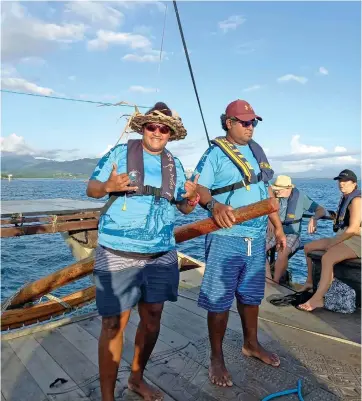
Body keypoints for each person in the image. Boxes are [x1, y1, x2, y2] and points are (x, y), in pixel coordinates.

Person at [87, 102, 199, 401]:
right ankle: (108, 397)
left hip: (161, 252)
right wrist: (109, 185)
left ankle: (136, 379)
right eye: (152, 126)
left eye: (164, 129)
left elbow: (183, 207)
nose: (157, 132)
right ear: (143, 128)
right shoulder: (119, 154)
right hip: (117, 251)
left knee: (152, 318)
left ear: (171, 135)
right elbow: (91, 188)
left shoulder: (174, 164)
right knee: (113, 323)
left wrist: (192, 200)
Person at [193, 99, 286, 388]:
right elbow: (199, 188)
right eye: (244, 122)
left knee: (251, 295)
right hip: (226, 237)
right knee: (219, 299)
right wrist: (214, 207)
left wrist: (278, 228)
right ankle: (217, 357)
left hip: (257, 236)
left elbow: (266, 191)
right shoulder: (215, 154)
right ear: (228, 123)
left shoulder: (257, 152)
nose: (250, 128)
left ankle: (251, 344)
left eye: (253, 122)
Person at [298, 169, 361, 312]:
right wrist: (315, 217)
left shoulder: (357, 200)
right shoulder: (345, 198)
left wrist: (334, 242)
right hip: (344, 236)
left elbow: (353, 228)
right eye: (340, 181)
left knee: (327, 258)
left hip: (357, 240)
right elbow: (340, 218)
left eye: (345, 181)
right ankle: (309, 282)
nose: (341, 184)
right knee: (308, 248)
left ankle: (318, 298)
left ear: (354, 184)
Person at [265, 175, 326, 283]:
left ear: (289, 188)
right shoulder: (272, 196)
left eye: (279, 189)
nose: (276, 192)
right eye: (276, 189)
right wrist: (269, 220)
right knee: (259, 249)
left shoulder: (301, 197)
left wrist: (314, 218)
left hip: (292, 233)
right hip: (273, 232)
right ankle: (268, 279)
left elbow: (321, 210)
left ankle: (275, 282)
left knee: (282, 253)